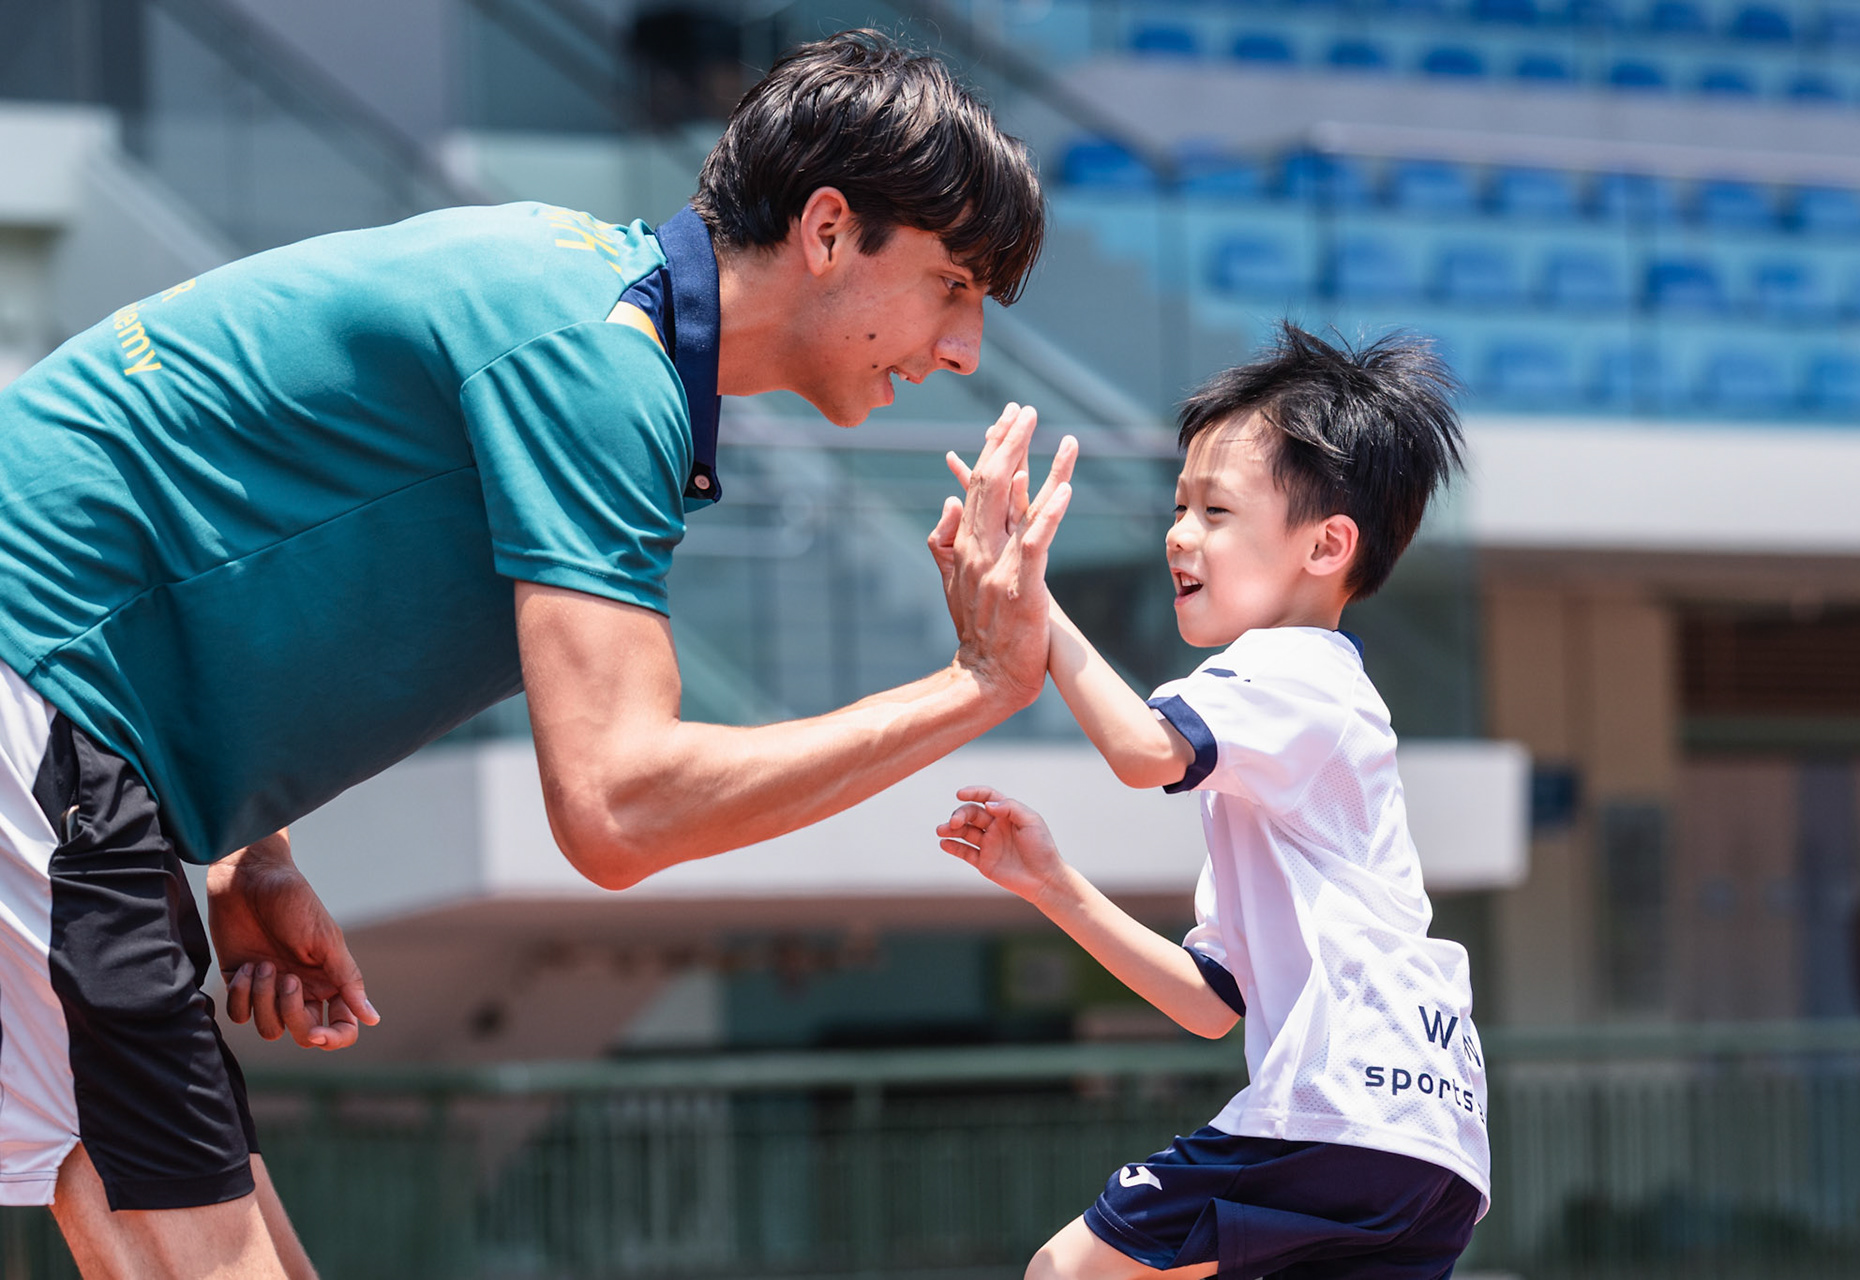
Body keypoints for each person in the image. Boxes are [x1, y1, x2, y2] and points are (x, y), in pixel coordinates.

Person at [0, 30, 1065, 1278]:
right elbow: (616, 806)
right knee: (177, 1223)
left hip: (64, 708)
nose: (962, 351)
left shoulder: (587, 309)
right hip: (41, 682)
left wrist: (249, 854)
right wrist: (976, 683)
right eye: (951, 286)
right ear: (829, 230)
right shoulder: (603, 361)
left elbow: (230, 489)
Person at [934, 326, 1489, 1280]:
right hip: (1436, 1144)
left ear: (1327, 545)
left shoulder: (1291, 668)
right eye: (1179, 503)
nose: (1179, 533)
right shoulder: (1285, 754)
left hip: (1338, 1103)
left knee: (1065, 1274)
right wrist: (1054, 885)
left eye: (1217, 509)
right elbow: (1210, 1005)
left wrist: (1031, 594)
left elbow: (1143, 751)